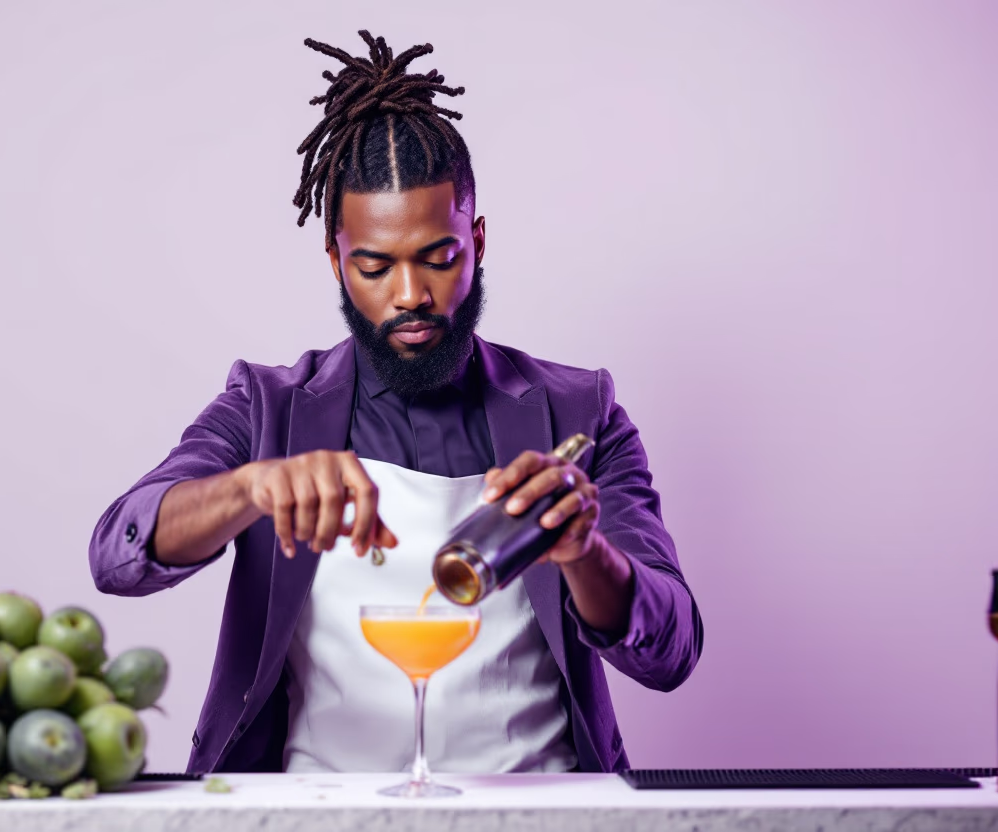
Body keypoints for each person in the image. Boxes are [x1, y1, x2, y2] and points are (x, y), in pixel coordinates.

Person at [89, 30, 703, 776]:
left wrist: (584, 552)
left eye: (437, 259)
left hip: (543, 810)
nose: (410, 296)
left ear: (476, 240)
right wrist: (249, 486)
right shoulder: (267, 407)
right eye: (375, 267)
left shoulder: (580, 411)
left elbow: (671, 652)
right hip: (311, 815)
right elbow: (118, 557)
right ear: (336, 259)